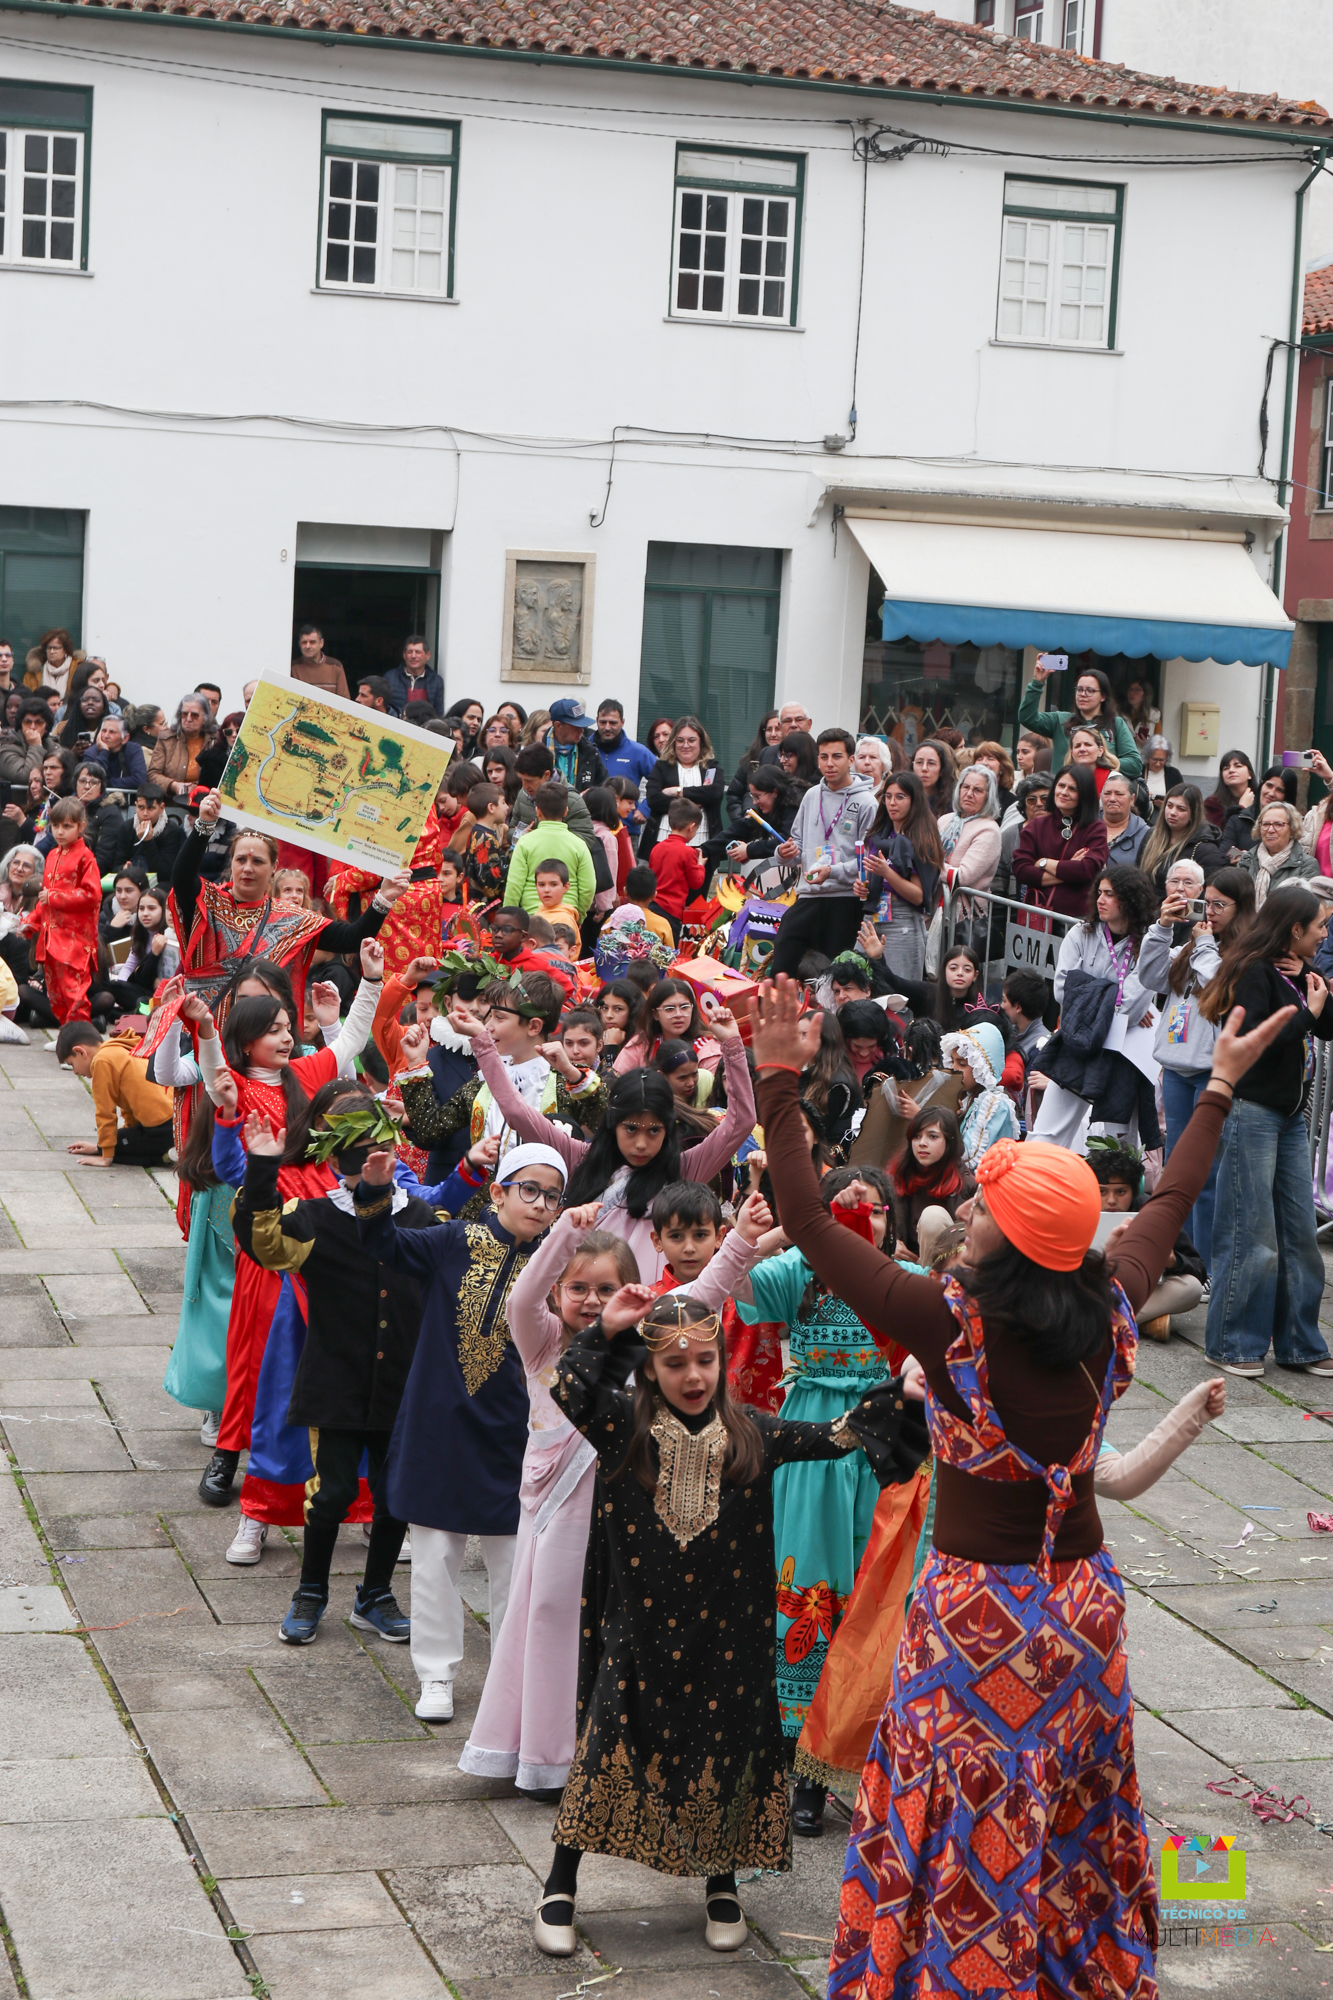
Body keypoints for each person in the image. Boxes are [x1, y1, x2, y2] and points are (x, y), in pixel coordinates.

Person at [746, 971, 1286, 2000]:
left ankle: (959, 1970)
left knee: (960, 1796)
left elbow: (809, 1222)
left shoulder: (948, 1326)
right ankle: (1068, 1965)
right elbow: (1169, 1200)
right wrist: (1216, 1087)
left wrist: (776, 1079)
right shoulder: (1111, 1304)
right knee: (1071, 1787)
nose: (964, 1208)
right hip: (1080, 1610)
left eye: (980, 1207)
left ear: (1010, 1235)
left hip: (973, 1617)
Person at [535, 1284, 926, 1958]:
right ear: (648, 1371)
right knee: (606, 1747)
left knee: (723, 1753)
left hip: (727, 1639)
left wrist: (904, 1391)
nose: (693, 1376)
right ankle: (559, 1886)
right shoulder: (621, 1427)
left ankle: (722, 1884)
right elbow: (569, 1386)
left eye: (705, 1361)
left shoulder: (754, 1434)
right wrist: (610, 1327)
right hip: (639, 1635)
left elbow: (840, 1436)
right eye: (674, 1364)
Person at [458, 1192, 767, 1799]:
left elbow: (703, 1294)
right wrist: (564, 1236)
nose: (592, 1300)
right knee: (550, 1618)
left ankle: (618, 1754)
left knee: (626, 1628)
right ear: (558, 1293)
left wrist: (743, 1240)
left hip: (628, 1508)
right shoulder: (543, 1342)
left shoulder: (643, 1338)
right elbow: (520, 1298)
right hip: (557, 1508)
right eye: (578, 1288)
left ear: (630, 1292)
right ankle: (548, 1758)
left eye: (606, 1289)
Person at [349, 1139, 566, 1719]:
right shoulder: (454, 1241)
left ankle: (511, 1679)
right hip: (438, 1425)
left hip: (517, 1435)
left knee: (514, 1565)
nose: (540, 1204)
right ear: (498, 1192)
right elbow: (384, 1244)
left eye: (552, 1196)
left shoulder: (559, 1268)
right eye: (529, 1190)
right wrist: (374, 1190)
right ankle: (436, 1676)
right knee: (434, 1558)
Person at [230, 1086, 448, 1644]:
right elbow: (261, 1243)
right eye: (358, 1154)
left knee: (394, 1494)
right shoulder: (314, 1217)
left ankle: (375, 1594)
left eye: (379, 1149)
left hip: (402, 1385)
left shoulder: (422, 1216)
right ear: (334, 1159)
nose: (371, 1162)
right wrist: (262, 1167)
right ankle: (310, 1592)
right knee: (330, 1494)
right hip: (337, 1381)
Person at [730, 1166, 909, 1828]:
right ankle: (801, 1761)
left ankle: (866, 1751)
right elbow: (734, 1279)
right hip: (811, 1441)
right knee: (810, 1585)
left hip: (888, 1444)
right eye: (848, 1210)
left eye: (877, 1210)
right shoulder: (798, 1273)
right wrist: (789, 1232)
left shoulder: (906, 1283)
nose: (865, 1220)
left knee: (877, 1594)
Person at [190, 945, 386, 1542]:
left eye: (285, 1024)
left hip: (324, 1235)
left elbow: (349, 1045)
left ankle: (362, 1507)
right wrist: (205, 1035)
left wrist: (370, 982)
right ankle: (250, 1493)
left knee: (345, 1372)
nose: (284, 1036)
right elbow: (228, 1149)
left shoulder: (305, 1076)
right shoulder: (234, 1091)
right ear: (244, 1039)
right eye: (271, 1028)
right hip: (269, 1242)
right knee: (265, 1372)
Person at [450, 994, 756, 1281]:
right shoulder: (579, 1157)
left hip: (655, 1311)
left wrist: (731, 1042)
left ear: (668, 1129)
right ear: (612, 1124)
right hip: (582, 1302)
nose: (641, 1144)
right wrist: (482, 1042)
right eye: (631, 1129)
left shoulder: (685, 1169)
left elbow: (741, 1120)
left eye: (654, 1131)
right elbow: (516, 1111)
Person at [1200, 883, 1333, 1377]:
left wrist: (1316, 989)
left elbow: (1326, 1027)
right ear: (1294, 929)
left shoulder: (1294, 971)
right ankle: (1233, 1344)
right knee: (1251, 1234)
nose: (1325, 934)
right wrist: (1307, 1011)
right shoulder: (1255, 973)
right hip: (1252, 1111)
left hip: (1290, 1118)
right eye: (1320, 926)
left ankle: (1301, 1344)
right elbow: (1261, 1040)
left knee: (1300, 1235)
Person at [167, 788, 404, 1023]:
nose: (247, 868)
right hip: (199, 1031)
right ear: (232, 862)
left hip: (261, 1033)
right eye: (241, 859)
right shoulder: (208, 902)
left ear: (274, 868)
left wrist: (383, 899)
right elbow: (181, 879)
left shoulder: (291, 919)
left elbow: (351, 938)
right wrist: (204, 826)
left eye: (257, 861)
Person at [1136, 864, 1254, 1274]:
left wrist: (1203, 945)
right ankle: (1181, 1258)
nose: (1211, 912)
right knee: (1178, 1171)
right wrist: (1162, 929)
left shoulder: (1243, 954)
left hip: (1211, 1073)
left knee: (1206, 1173)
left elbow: (1222, 988)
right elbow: (1150, 976)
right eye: (1208, 903)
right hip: (1176, 1069)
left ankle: (1204, 1265)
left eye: (1221, 905)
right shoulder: (1192, 945)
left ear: (1241, 908)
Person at [1030, 865, 1162, 1151]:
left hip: (1124, 1050)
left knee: (1117, 1146)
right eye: (1099, 892)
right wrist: (1116, 995)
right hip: (1079, 1042)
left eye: (1110, 894)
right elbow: (1062, 990)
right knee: (1046, 1133)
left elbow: (1132, 1010)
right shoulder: (1081, 933)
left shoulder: (1149, 944)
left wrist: (1088, 991)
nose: (1101, 900)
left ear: (1130, 898)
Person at [769, 730, 877, 976]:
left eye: (837, 756)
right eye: (824, 757)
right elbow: (796, 842)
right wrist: (784, 852)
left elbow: (867, 860)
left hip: (844, 899)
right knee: (782, 967)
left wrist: (832, 871)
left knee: (834, 975)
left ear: (851, 760)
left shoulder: (867, 802)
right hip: (808, 894)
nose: (829, 763)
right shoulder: (811, 795)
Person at [1089, 1144, 1205, 1341]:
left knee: (1192, 1288)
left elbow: (1198, 1268)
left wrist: (1173, 1260)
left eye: (1121, 1192)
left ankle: (1104, 1322)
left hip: (1139, 1290)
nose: (1111, 1201)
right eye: (1102, 1192)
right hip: (1092, 1291)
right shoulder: (1079, 1207)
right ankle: (1142, 1322)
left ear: (1135, 1190)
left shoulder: (1154, 1210)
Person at [859, 769, 942, 983]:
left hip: (902, 919)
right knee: (859, 984)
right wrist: (862, 887)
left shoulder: (922, 839)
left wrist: (886, 872)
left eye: (900, 797)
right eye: (888, 796)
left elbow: (918, 896)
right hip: (872, 915)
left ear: (914, 800)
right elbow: (872, 877)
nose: (892, 803)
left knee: (897, 991)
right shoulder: (879, 834)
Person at [23, 798, 101, 1023]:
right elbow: (44, 900)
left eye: (67, 826)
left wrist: (55, 897)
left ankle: (79, 1037)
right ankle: (67, 1034)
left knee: (74, 992)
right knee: (56, 993)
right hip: (51, 938)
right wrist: (31, 922)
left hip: (74, 939)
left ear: (81, 826)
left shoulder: (86, 857)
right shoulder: (52, 855)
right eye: (55, 826)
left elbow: (92, 895)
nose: (59, 831)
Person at [56, 1019, 175, 1165]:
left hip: (162, 1129)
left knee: (114, 1150)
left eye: (72, 1064)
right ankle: (168, 1150)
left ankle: (165, 1156)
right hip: (176, 1122)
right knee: (115, 1141)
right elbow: (129, 1103)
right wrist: (103, 1145)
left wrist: (105, 1156)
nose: (75, 1071)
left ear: (80, 1052)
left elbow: (105, 1112)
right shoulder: (117, 1048)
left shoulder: (101, 1061)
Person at [1017, 657, 1142, 779]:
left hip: (1101, 790)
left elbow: (1135, 764)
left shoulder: (1115, 723)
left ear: (1103, 696)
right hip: (1064, 789)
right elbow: (1027, 717)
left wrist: (1098, 760)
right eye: (1079, 689)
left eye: (1090, 690)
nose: (1083, 694)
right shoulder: (1060, 720)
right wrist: (1037, 682)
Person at [1011, 762, 1108, 919]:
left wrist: (1043, 862)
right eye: (1061, 785)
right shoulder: (1036, 826)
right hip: (1038, 917)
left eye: (1072, 789)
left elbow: (1086, 870)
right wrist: (1069, 869)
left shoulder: (1095, 828)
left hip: (1078, 920)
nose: (1064, 792)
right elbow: (1021, 870)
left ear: (1084, 793)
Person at [889, 1104, 973, 1258]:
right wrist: (890, 1241)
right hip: (904, 1262)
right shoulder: (898, 1174)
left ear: (949, 1141)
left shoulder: (967, 1185)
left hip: (945, 1264)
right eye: (917, 1136)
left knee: (932, 1217)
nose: (922, 1143)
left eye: (933, 1136)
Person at [935, 764, 1002, 957]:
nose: (969, 794)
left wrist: (929, 865)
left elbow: (962, 876)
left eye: (978, 790)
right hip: (934, 909)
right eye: (966, 787)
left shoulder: (989, 830)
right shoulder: (944, 820)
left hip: (963, 918)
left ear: (988, 796)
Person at [503, 781, 596, 919]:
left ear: (537, 811)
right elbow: (588, 887)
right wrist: (579, 916)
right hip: (566, 917)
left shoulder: (524, 842)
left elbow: (514, 885)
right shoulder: (579, 844)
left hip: (533, 917)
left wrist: (509, 918)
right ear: (566, 811)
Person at [941, 1020, 1020, 1168]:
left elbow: (969, 1158)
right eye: (952, 1061)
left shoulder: (994, 1104)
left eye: (962, 1064)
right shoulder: (970, 1097)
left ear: (981, 1068)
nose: (953, 1068)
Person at [642, 715, 725, 853]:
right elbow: (653, 799)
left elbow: (714, 793)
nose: (685, 745)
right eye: (680, 740)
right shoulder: (661, 766)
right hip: (664, 840)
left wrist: (678, 791)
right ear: (674, 742)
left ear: (701, 742)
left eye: (691, 740)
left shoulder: (712, 767)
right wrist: (695, 802)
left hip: (704, 843)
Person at [508, 744, 599, 854]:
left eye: (529, 781)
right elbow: (511, 830)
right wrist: (520, 835)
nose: (524, 786)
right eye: (521, 779)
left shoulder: (571, 800)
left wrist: (546, 840)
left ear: (547, 775)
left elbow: (587, 839)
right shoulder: (523, 795)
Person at [1138, 782, 1225, 895]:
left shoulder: (1205, 849)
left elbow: (1209, 893)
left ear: (1193, 813)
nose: (1172, 812)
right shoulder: (1151, 835)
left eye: (1181, 809)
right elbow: (1138, 874)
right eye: (1169, 806)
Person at [797, 1006, 861, 1153]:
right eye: (796, 1034)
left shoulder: (838, 1083)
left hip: (824, 1157)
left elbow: (813, 1128)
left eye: (805, 1034)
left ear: (825, 1038)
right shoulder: (809, 1069)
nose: (798, 1041)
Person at [1238, 799, 1319, 907]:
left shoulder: (1307, 865)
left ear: (1293, 829)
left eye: (1278, 824)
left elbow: (1303, 908)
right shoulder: (1247, 860)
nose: (1270, 830)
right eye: (1266, 824)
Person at [646, 798, 705, 939]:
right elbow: (696, 882)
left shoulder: (657, 848)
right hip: (672, 911)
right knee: (669, 946)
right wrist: (700, 865)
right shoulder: (688, 852)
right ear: (691, 827)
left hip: (653, 905)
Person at [149, 696, 224, 801]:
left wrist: (198, 788)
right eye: (184, 714)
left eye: (195, 715)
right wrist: (173, 785)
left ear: (205, 718)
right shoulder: (166, 739)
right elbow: (153, 774)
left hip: (207, 804)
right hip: (172, 804)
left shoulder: (216, 741)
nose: (188, 719)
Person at [542, 697, 608, 791]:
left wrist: (592, 794)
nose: (582, 730)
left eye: (582, 725)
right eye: (576, 726)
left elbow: (605, 786)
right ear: (558, 726)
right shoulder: (537, 754)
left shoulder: (591, 752)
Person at [384, 635, 443, 723]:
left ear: (428, 655)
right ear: (404, 655)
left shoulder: (436, 681)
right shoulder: (390, 677)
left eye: (418, 652)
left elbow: (438, 714)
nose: (413, 656)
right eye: (410, 652)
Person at [1098, 769, 1149, 867]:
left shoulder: (1145, 834)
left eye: (1119, 794)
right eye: (1107, 793)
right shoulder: (1086, 825)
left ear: (1132, 799)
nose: (1112, 799)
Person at [85, 714, 148, 793]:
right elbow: (90, 781)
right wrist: (104, 752)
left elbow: (139, 780)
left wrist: (106, 782)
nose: (106, 736)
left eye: (112, 732)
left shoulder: (133, 749)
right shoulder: (90, 753)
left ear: (125, 738)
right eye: (104, 730)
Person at [1204, 747, 1259, 836]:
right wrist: (1242, 807)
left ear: (1249, 774)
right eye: (1226, 768)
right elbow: (1220, 834)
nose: (1231, 770)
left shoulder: (1260, 800)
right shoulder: (1212, 803)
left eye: (1238, 766)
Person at [910, 738, 956, 818]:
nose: (924, 768)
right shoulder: (904, 796)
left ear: (941, 769)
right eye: (919, 762)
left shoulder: (952, 802)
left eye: (931, 763)